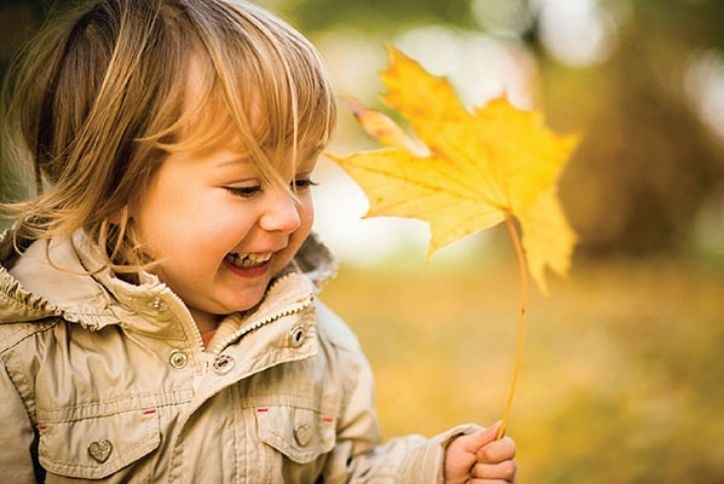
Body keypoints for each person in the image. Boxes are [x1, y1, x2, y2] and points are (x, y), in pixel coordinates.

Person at [0, 0, 517, 482]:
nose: (289, 215)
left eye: (301, 180)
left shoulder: (317, 344)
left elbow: (343, 471)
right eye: (245, 187)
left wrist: (430, 469)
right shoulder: (26, 354)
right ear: (113, 188)